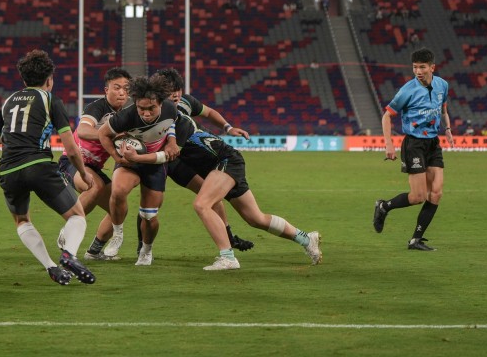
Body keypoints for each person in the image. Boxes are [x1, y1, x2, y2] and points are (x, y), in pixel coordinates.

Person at [118, 77, 322, 271]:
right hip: (221, 165)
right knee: (256, 218)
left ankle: (227, 257)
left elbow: (167, 156)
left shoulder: (180, 123)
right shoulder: (162, 122)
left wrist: (136, 157)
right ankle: (306, 238)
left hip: (225, 161)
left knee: (202, 204)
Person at [0, 49, 96, 286]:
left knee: (22, 220)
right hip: (38, 165)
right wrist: (84, 174)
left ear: (24, 80)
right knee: (77, 215)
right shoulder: (50, 100)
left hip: (8, 170)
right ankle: (68, 254)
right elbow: (71, 145)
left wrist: (15, 137)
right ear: (49, 79)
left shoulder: (7, 102)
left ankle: (51, 266)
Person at [151, 68, 255, 252]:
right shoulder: (148, 110)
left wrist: (228, 127)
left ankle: (228, 239)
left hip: (180, 159)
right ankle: (144, 248)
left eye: (178, 89)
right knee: (149, 202)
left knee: (209, 198)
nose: (175, 94)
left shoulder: (185, 104)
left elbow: (208, 112)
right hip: (163, 158)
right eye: (169, 91)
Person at [372, 47, 454, 251]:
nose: (418, 71)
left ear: (432, 67)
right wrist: (388, 144)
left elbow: (443, 109)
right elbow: (386, 116)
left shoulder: (442, 85)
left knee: (436, 193)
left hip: (433, 144)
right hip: (414, 144)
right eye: (415, 67)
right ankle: (384, 206)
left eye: (422, 67)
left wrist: (449, 129)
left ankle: (415, 240)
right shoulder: (407, 90)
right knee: (418, 197)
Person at [97, 75, 180, 266]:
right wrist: (117, 158)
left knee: (149, 216)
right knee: (117, 191)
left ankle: (146, 250)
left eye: (151, 108)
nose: (146, 113)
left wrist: (172, 141)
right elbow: (102, 133)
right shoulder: (126, 115)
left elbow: (172, 124)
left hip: (155, 163)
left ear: (161, 103)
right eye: (141, 108)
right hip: (130, 162)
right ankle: (117, 235)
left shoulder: (170, 108)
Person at [58, 67, 131, 261]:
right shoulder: (96, 107)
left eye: (126, 88)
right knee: (94, 186)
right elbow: (82, 131)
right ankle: (67, 231)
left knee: (119, 209)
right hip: (74, 161)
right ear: (106, 90)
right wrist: (111, 134)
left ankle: (94, 251)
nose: (122, 92)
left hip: (95, 167)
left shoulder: (126, 115)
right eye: (117, 87)